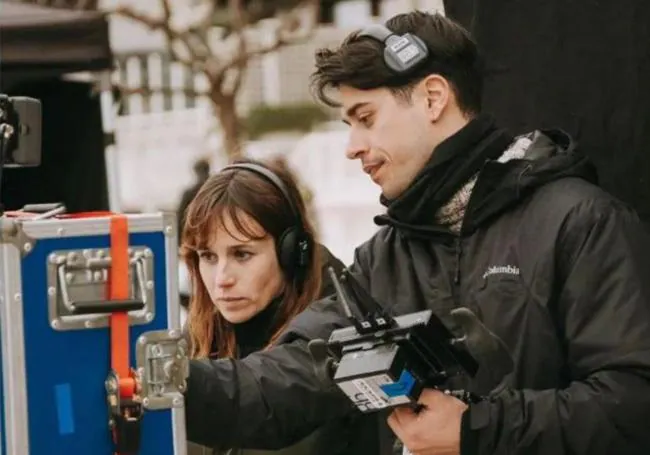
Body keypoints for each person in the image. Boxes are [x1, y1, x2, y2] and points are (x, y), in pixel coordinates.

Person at [183, 11, 650, 455]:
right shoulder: (383, 262)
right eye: (348, 126)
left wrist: (475, 430)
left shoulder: (580, 221)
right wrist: (161, 387)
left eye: (365, 118)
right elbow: (287, 381)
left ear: (432, 98)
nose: (352, 148)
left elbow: (632, 403)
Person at [180, 158, 347, 455]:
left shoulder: (338, 326)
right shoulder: (198, 334)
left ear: (292, 251)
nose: (222, 279)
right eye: (208, 256)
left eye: (242, 254)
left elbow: (268, 395)